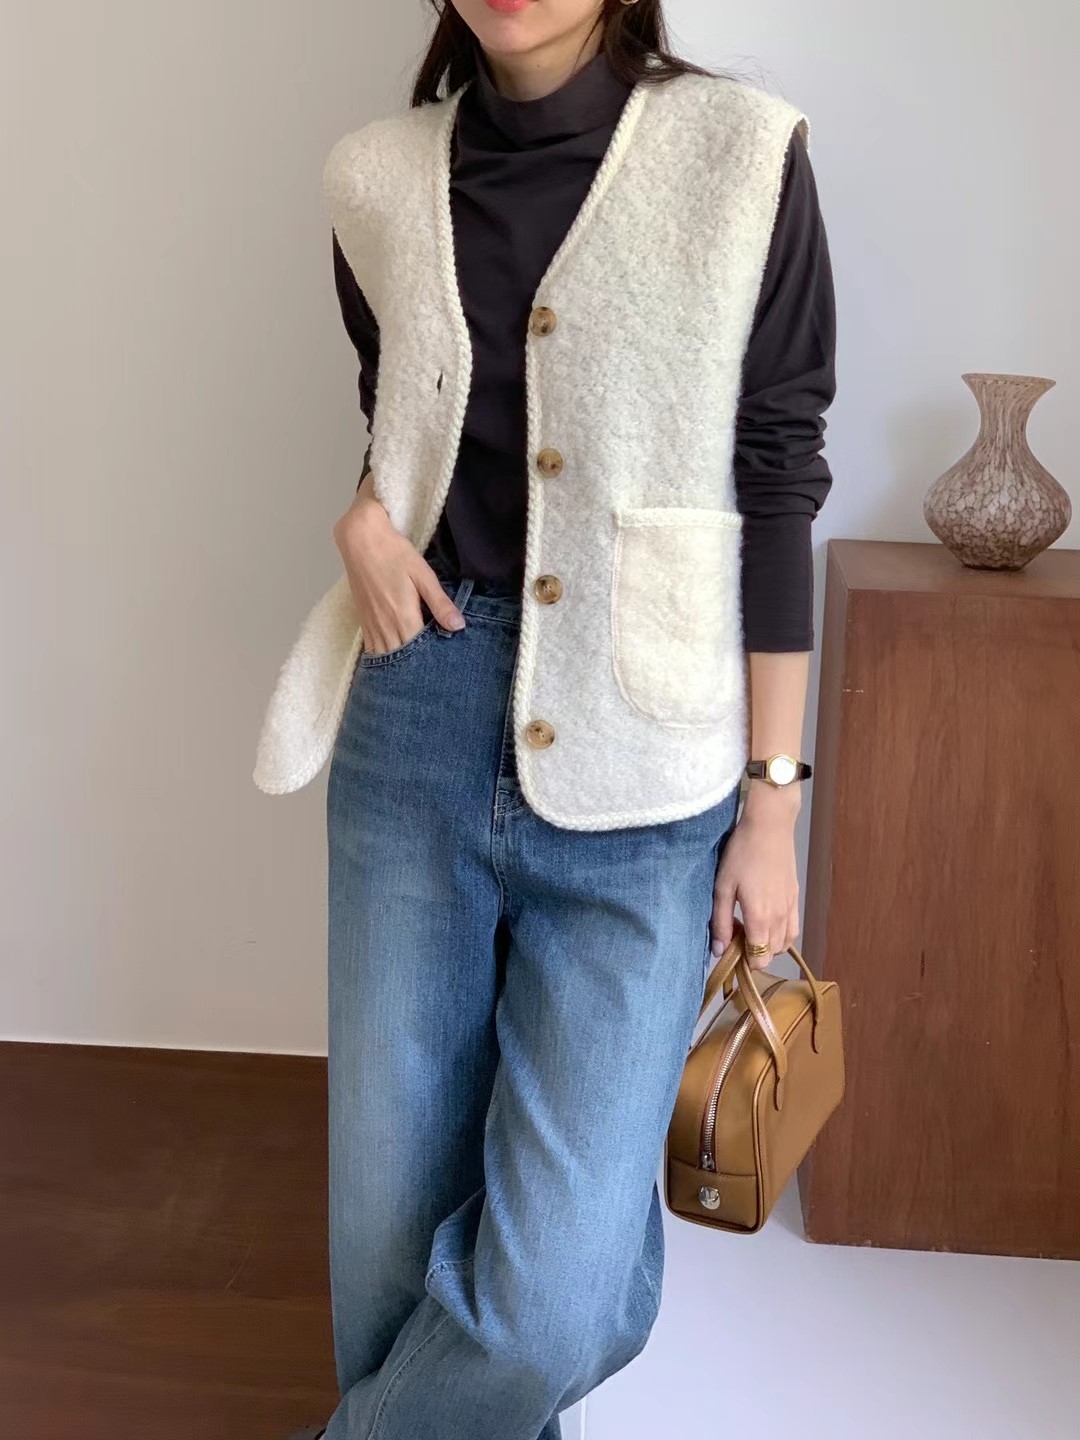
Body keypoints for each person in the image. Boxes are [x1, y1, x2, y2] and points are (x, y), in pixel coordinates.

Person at [264, 2, 835, 1436]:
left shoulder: (742, 154)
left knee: (563, 1298)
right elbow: (401, 425)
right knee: (388, 1243)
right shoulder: (374, 177)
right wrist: (363, 517)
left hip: (647, 764)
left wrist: (775, 804)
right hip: (417, 713)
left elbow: (777, 474)